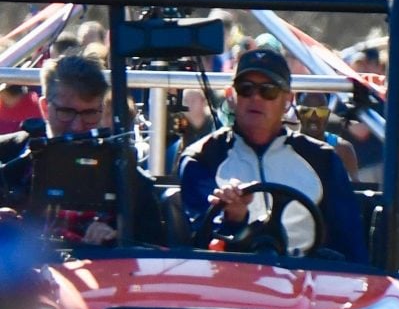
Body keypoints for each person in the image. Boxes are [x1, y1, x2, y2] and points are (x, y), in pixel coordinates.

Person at [178, 48, 367, 261]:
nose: (256, 98)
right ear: (232, 96)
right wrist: (234, 218)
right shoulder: (202, 158)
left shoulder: (323, 159)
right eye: (246, 89)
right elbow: (198, 245)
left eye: (268, 91)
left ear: (288, 100)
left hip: (306, 282)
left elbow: (350, 251)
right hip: (228, 283)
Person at [0, 54, 163, 246]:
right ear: (45, 108)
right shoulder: (8, 158)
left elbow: (155, 257)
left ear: (101, 110)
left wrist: (116, 244)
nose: (77, 126)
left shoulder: (131, 182)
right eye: (66, 112)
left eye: (89, 113)